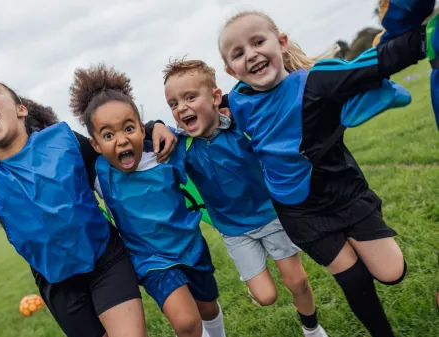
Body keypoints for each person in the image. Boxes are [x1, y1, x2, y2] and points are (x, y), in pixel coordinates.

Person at [219, 9, 434, 337]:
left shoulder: (318, 82)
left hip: (345, 194)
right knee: (353, 279)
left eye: (258, 42)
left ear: (281, 43)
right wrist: (155, 130)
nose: (251, 54)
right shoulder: (236, 101)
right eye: (238, 53)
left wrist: (424, 40)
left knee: (392, 272)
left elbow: (374, 64)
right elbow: (203, 109)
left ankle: (356, 243)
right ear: (230, 69)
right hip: (299, 211)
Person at [0, 80, 177, 337]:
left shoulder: (64, 140)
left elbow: (113, 143)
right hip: (58, 285)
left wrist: (154, 127)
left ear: (21, 109)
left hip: (105, 260)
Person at [163, 58, 328, 337]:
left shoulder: (243, 126)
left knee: (297, 280)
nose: (181, 108)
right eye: (174, 104)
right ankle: (255, 287)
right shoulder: (181, 146)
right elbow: (145, 137)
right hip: (235, 231)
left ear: (216, 97)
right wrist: (157, 124)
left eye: (190, 97)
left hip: (272, 215)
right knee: (266, 297)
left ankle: (312, 329)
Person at [69, 64, 227, 337]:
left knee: (208, 308)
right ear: (95, 145)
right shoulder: (99, 173)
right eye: (108, 135)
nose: (121, 140)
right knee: (187, 322)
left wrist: (160, 126)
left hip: (191, 247)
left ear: (142, 129)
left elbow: (204, 129)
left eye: (128, 128)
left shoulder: (166, 150)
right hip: (151, 261)